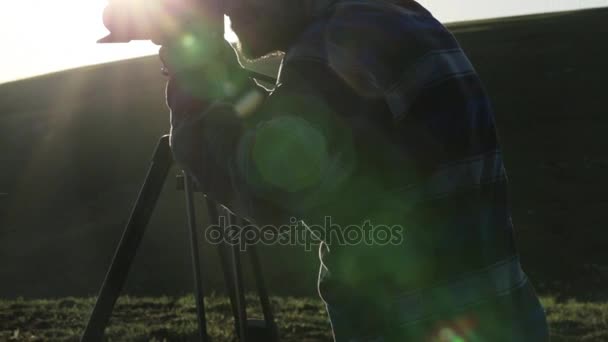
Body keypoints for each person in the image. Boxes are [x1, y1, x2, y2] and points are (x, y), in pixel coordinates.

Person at [160, 0, 550, 340]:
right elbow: (303, 144)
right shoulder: (393, 18)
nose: (225, 6)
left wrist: (192, 60)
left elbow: (262, 188)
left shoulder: (334, 44)